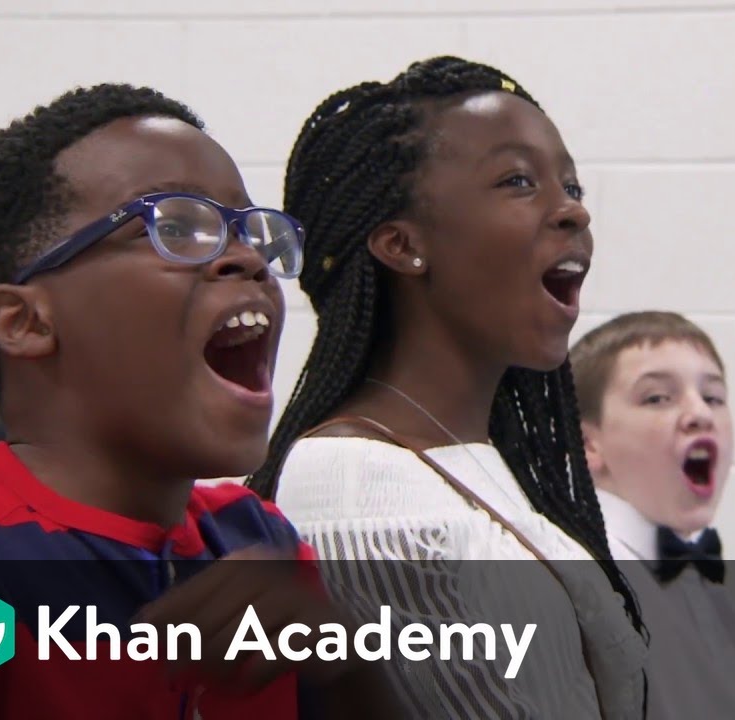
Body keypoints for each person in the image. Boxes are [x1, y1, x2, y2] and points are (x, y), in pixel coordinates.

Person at [0, 83, 396, 719]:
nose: (248, 259)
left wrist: (344, 666)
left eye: (251, 233)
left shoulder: (255, 538)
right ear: (25, 321)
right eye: (175, 227)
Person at [246, 56, 647, 719]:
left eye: (571, 185)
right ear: (401, 244)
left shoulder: (483, 462)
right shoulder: (353, 484)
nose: (573, 210)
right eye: (519, 181)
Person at [570, 310, 735, 720]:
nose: (701, 414)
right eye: (658, 398)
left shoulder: (703, 587)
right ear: (588, 444)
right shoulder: (585, 586)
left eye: (713, 397)